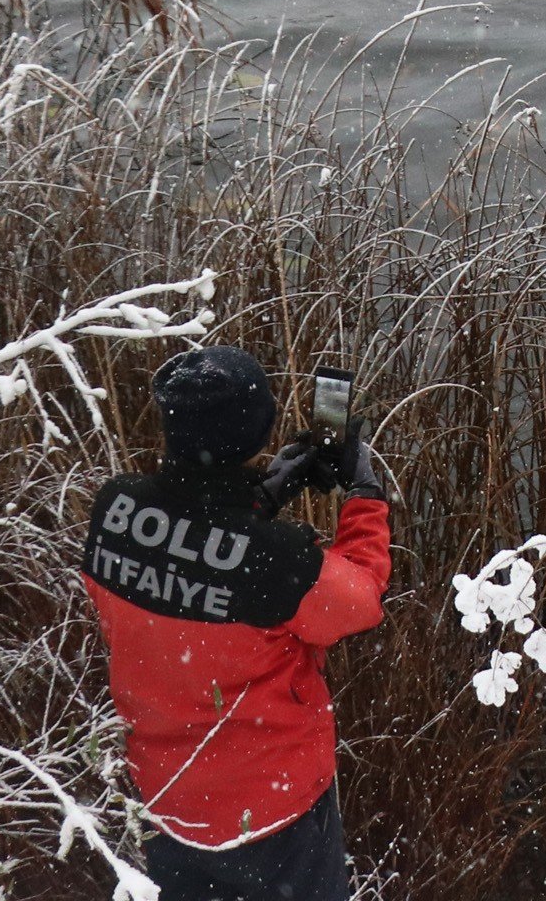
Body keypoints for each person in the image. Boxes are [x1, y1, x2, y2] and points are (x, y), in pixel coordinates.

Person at [82, 345, 390, 901]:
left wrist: (266, 493)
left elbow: (188, 546)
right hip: (273, 814)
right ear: (259, 429)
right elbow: (361, 598)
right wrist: (365, 497)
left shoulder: (114, 510)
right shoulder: (277, 563)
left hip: (165, 795)